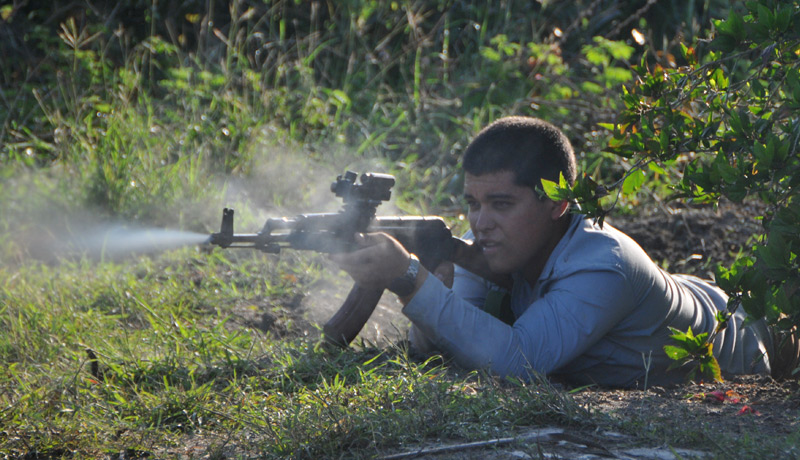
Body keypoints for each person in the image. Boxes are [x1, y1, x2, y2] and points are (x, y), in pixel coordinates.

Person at [331, 116, 789, 388]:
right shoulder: (484, 251)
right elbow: (450, 353)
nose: (480, 222)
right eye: (473, 203)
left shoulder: (605, 265)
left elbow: (516, 363)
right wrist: (430, 283)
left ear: (558, 203)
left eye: (502, 204)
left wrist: (411, 278)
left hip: (752, 336)